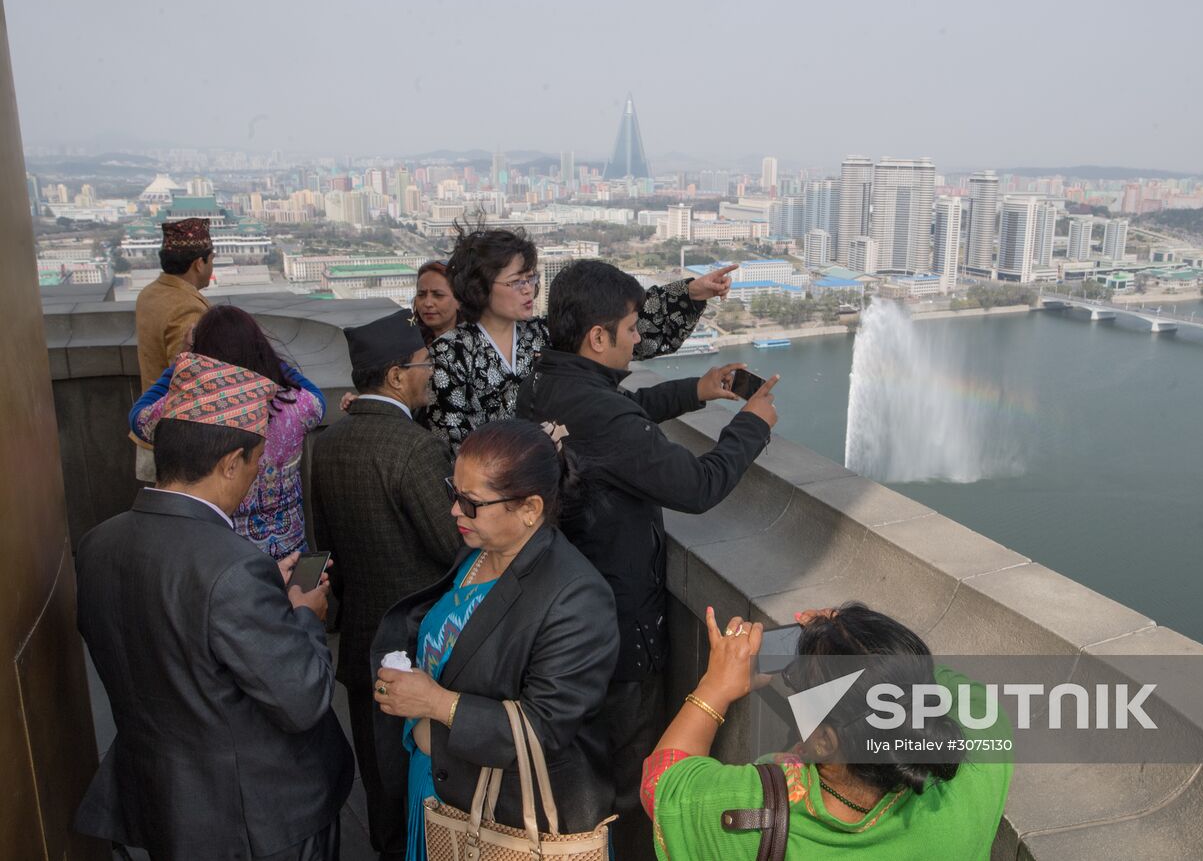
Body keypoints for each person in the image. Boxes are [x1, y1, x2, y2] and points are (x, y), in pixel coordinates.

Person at [514, 259, 777, 857]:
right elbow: (698, 487)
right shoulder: (598, 408)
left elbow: (618, 422)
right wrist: (751, 425)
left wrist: (697, 389)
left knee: (581, 773)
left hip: (561, 608)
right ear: (597, 337)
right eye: (631, 329)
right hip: (616, 628)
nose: (639, 339)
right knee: (633, 788)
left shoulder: (545, 381)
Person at [75, 353, 353, 860]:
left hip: (165, 801)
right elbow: (304, 697)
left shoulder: (97, 543)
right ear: (229, 462)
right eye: (256, 461)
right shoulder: (235, 567)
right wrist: (302, 615)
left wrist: (268, 594)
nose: (256, 473)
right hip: (257, 818)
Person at [370, 419, 619, 861]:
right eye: (454, 493)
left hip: (505, 819)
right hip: (440, 786)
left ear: (530, 509)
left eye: (471, 503)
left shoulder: (578, 597)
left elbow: (544, 728)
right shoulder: (479, 549)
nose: (454, 512)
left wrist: (434, 704)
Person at [643, 603, 1013, 859]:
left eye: (799, 682)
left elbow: (660, 782)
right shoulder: (975, 768)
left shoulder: (758, 807)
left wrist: (715, 687)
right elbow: (960, 689)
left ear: (823, 742)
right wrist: (863, 646)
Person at [308, 309, 461, 861]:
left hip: (361, 647)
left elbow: (327, 548)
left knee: (380, 785)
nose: (432, 373)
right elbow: (455, 549)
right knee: (421, 781)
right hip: (421, 649)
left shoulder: (329, 442)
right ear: (396, 376)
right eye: (425, 363)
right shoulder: (414, 448)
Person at [426, 223, 737, 452]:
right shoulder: (449, 354)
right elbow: (454, 444)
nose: (528, 289)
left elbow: (621, 326)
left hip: (564, 485)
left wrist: (691, 292)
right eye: (516, 282)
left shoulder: (545, 332)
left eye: (531, 278)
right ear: (481, 287)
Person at [129, 305, 325, 560]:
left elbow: (139, 418)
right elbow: (317, 399)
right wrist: (268, 359)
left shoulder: (190, 408)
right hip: (288, 547)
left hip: (222, 552)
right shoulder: (295, 405)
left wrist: (183, 361)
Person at [131, 217, 215, 481]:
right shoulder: (187, 307)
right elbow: (189, 378)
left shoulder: (150, 293)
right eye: (211, 258)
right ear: (199, 263)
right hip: (179, 447)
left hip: (151, 430)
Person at [410, 260, 460, 342]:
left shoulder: (476, 348)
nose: (428, 303)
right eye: (421, 295)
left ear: (459, 300)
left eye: (438, 295)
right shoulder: (409, 344)